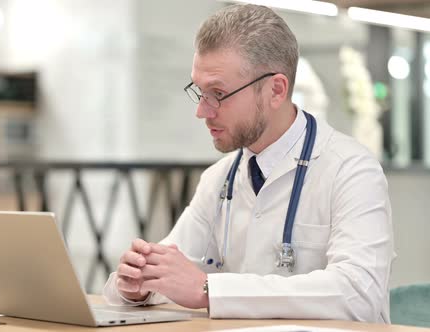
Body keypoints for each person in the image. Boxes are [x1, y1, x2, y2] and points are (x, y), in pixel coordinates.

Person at [102, 3, 394, 323]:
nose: (202, 111)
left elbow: (358, 293)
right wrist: (138, 284)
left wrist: (208, 289)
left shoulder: (351, 170)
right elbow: (170, 267)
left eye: (218, 93)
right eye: (199, 91)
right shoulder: (219, 179)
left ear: (275, 90)